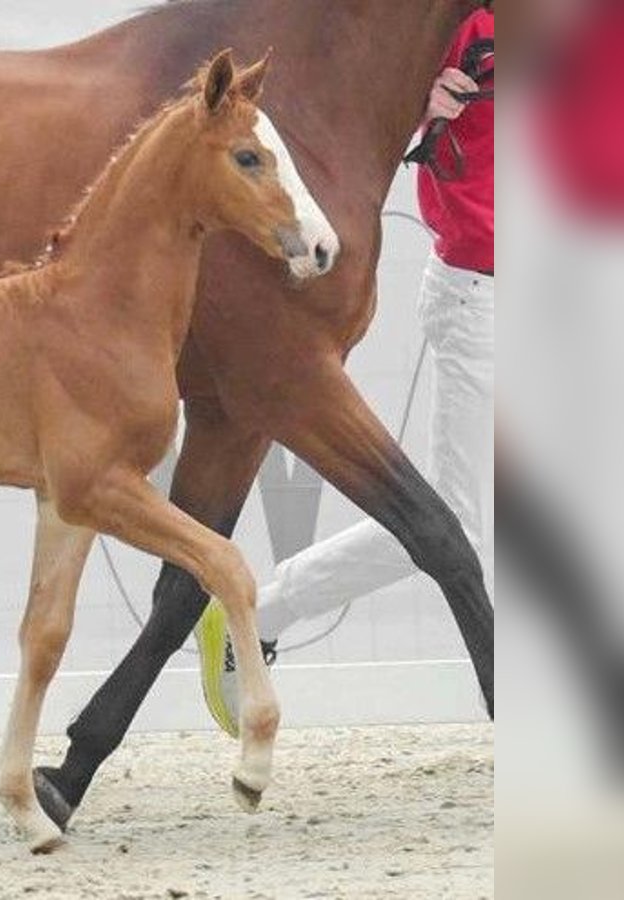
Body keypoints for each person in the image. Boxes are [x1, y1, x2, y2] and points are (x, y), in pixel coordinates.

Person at [204, 7, 494, 728]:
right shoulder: (455, 18)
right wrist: (419, 110)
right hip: (486, 291)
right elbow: (338, 109)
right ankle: (259, 613)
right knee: (457, 521)